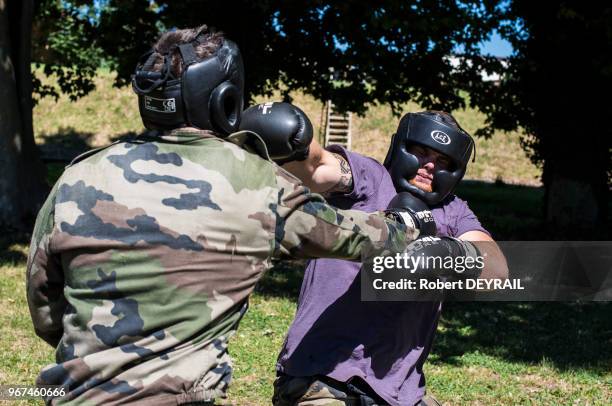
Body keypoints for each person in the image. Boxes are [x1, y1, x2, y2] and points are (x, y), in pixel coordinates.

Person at [25, 26, 431, 405]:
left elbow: (44, 306)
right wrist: (406, 220)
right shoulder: (258, 184)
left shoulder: (77, 176)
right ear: (226, 102)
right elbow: (362, 238)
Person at [239, 104, 508, 405]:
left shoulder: (454, 211)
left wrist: (445, 252)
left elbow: (495, 269)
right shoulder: (369, 177)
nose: (430, 165)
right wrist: (294, 142)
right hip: (320, 376)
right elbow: (319, 167)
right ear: (400, 147)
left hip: (398, 392)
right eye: (422, 152)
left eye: (442, 160)